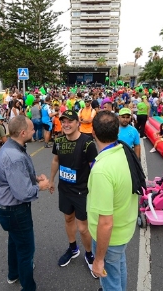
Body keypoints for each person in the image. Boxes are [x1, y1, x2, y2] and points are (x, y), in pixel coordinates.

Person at [0, 115, 50, 290]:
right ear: (23, 132)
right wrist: (41, 185)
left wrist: (34, 178)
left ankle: (14, 274)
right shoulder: (14, 156)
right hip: (15, 210)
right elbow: (23, 192)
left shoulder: (13, 147)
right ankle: (28, 287)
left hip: (8, 208)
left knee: (14, 241)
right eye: (33, 129)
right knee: (26, 250)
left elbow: (17, 176)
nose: (35, 131)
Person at [87, 110, 137, 291]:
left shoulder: (102, 169)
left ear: (94, 133)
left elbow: (106, 222)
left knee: (110, 282)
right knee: (119, 267)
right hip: (124, 228)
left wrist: (98, 259)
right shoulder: (125, 151)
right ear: (117, 132)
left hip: (111, 236)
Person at [49, 110, 98, 278]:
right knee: (68, 219)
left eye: (70, 121)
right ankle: (73, 248)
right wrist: (51, 180)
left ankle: (90, 254)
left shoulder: (87, 143)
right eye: (63, 121)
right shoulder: (59, 140)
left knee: (83, 228)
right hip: (64, 189)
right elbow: (56, 160)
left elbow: (94, 167)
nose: (66, 124)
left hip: (82, 191)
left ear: (78, 123)